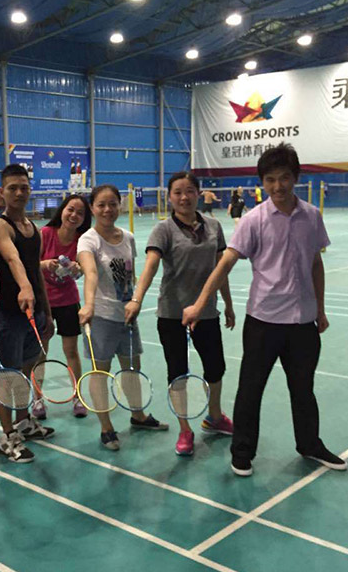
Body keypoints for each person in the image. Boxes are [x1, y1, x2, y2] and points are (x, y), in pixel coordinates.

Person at [183, 143, 347, 477]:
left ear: (295, 177)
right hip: (263, 322)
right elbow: (226, 262)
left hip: (303, 322)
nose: (278, 186)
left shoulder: (312, 216)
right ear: (262, 182)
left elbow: (316, 263)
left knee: (303, 389)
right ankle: (242, 452)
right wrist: (200, 303)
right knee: (250, 389)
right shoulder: (253, 220)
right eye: (270, 179)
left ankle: (310, 444)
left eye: (284, 177)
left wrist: (321, 309)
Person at [125, 172, 234, 457]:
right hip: (172, 313)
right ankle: (185, 429)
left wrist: (228, 304)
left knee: (216, 367)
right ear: (170, 196)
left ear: (198, 193)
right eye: (177, 192)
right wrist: (136, 299)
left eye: (189, 191)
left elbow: (220, 269)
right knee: (178, 371)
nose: (184, 197)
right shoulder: (163, 229)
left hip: (206, 311)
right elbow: (150, 266)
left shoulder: (213, 226)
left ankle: (214, 417)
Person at [77, 184, 168, 451]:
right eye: (101, 205)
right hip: (101, 317)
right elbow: (91, 273)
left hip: (126, 317)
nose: (107, 209)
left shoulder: (127, 237)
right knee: (100, 372)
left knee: (131, 369)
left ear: (120, 205)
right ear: (92, 208)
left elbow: (127, 275)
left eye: (112, 204)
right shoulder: (88, 240)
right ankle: (106, 428)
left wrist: (134, 301)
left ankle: (138, 416)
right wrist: (89, 304)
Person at [0, 163, 55, 463]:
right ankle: (7, 435)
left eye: (24, 188)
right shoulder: (1, 228)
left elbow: (36, 272)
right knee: (9, 376)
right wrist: (24, 287)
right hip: (11, 314)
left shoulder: (33, 229)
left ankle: (23, 421)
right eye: (12, 188)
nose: (19, 193)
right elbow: (13, 259)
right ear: (1, 192)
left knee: (27, 371)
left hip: (35, 313)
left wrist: (48, 312)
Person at [36, 194, 91, 420]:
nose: (74, 215)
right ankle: (37, 399)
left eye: (80, 213)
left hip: (68, 301)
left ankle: (78, 397)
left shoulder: (82, 240)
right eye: (71, 209)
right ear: (62, 210)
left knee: (71, 352)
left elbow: (85, 269)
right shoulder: (45, 234)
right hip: (44, 302)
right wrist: (44, 264)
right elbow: (30, 264)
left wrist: (79, 269)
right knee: (40, 352)